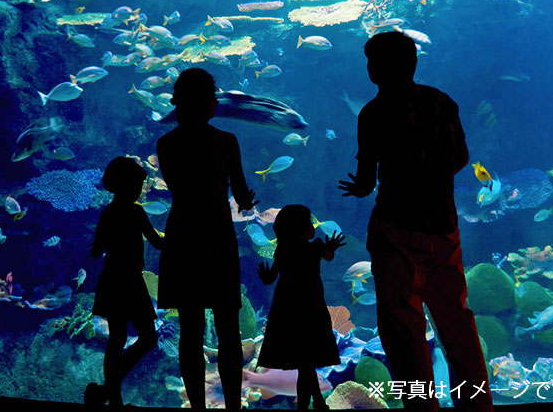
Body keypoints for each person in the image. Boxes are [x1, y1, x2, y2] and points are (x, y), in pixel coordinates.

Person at [339, 31, 493, 412]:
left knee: (402, 328)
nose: (370, 68)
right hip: (443, 226)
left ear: (380, 67)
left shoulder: (373, 113)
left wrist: (360, 190)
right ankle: (478, 404)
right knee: (456, 319)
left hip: (395, 229)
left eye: (373, 61)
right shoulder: (442, 102)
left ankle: (421, 408)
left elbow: (366, 180)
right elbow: (460, 158)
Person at [156, 68, 258, 409]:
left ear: (178, 105)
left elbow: (176, 188)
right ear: (211, 106)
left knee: (190, 329)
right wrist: (246, 202)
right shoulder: (226, 141)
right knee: (229, 329)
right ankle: (232, 408)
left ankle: (198, 409)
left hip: (183, 234)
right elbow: (241, 195)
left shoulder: (166, 144)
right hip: (217, 236)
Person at [85, 156, 165, 410]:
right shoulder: (135, 211)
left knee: (117, 339)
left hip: (111, 279)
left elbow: (96, 251)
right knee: (148, 338)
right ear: (124, 185)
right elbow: (156, 241)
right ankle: (110, 393)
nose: (140, 191)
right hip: (129, 280)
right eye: (137, 185)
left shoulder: (108, 212)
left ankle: (112, 397)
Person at [256, 204, 344, 410]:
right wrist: (330, 249)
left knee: (304, 361)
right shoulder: (314, 247)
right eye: (310, 222)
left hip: (286, 308)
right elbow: (328, 256)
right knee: (307, 361)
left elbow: (271, 278)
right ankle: (308, 406)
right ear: (301, 227)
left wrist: (265, 275)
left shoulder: (283, 249)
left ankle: (316, 403)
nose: (313, 226)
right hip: (310, 307)